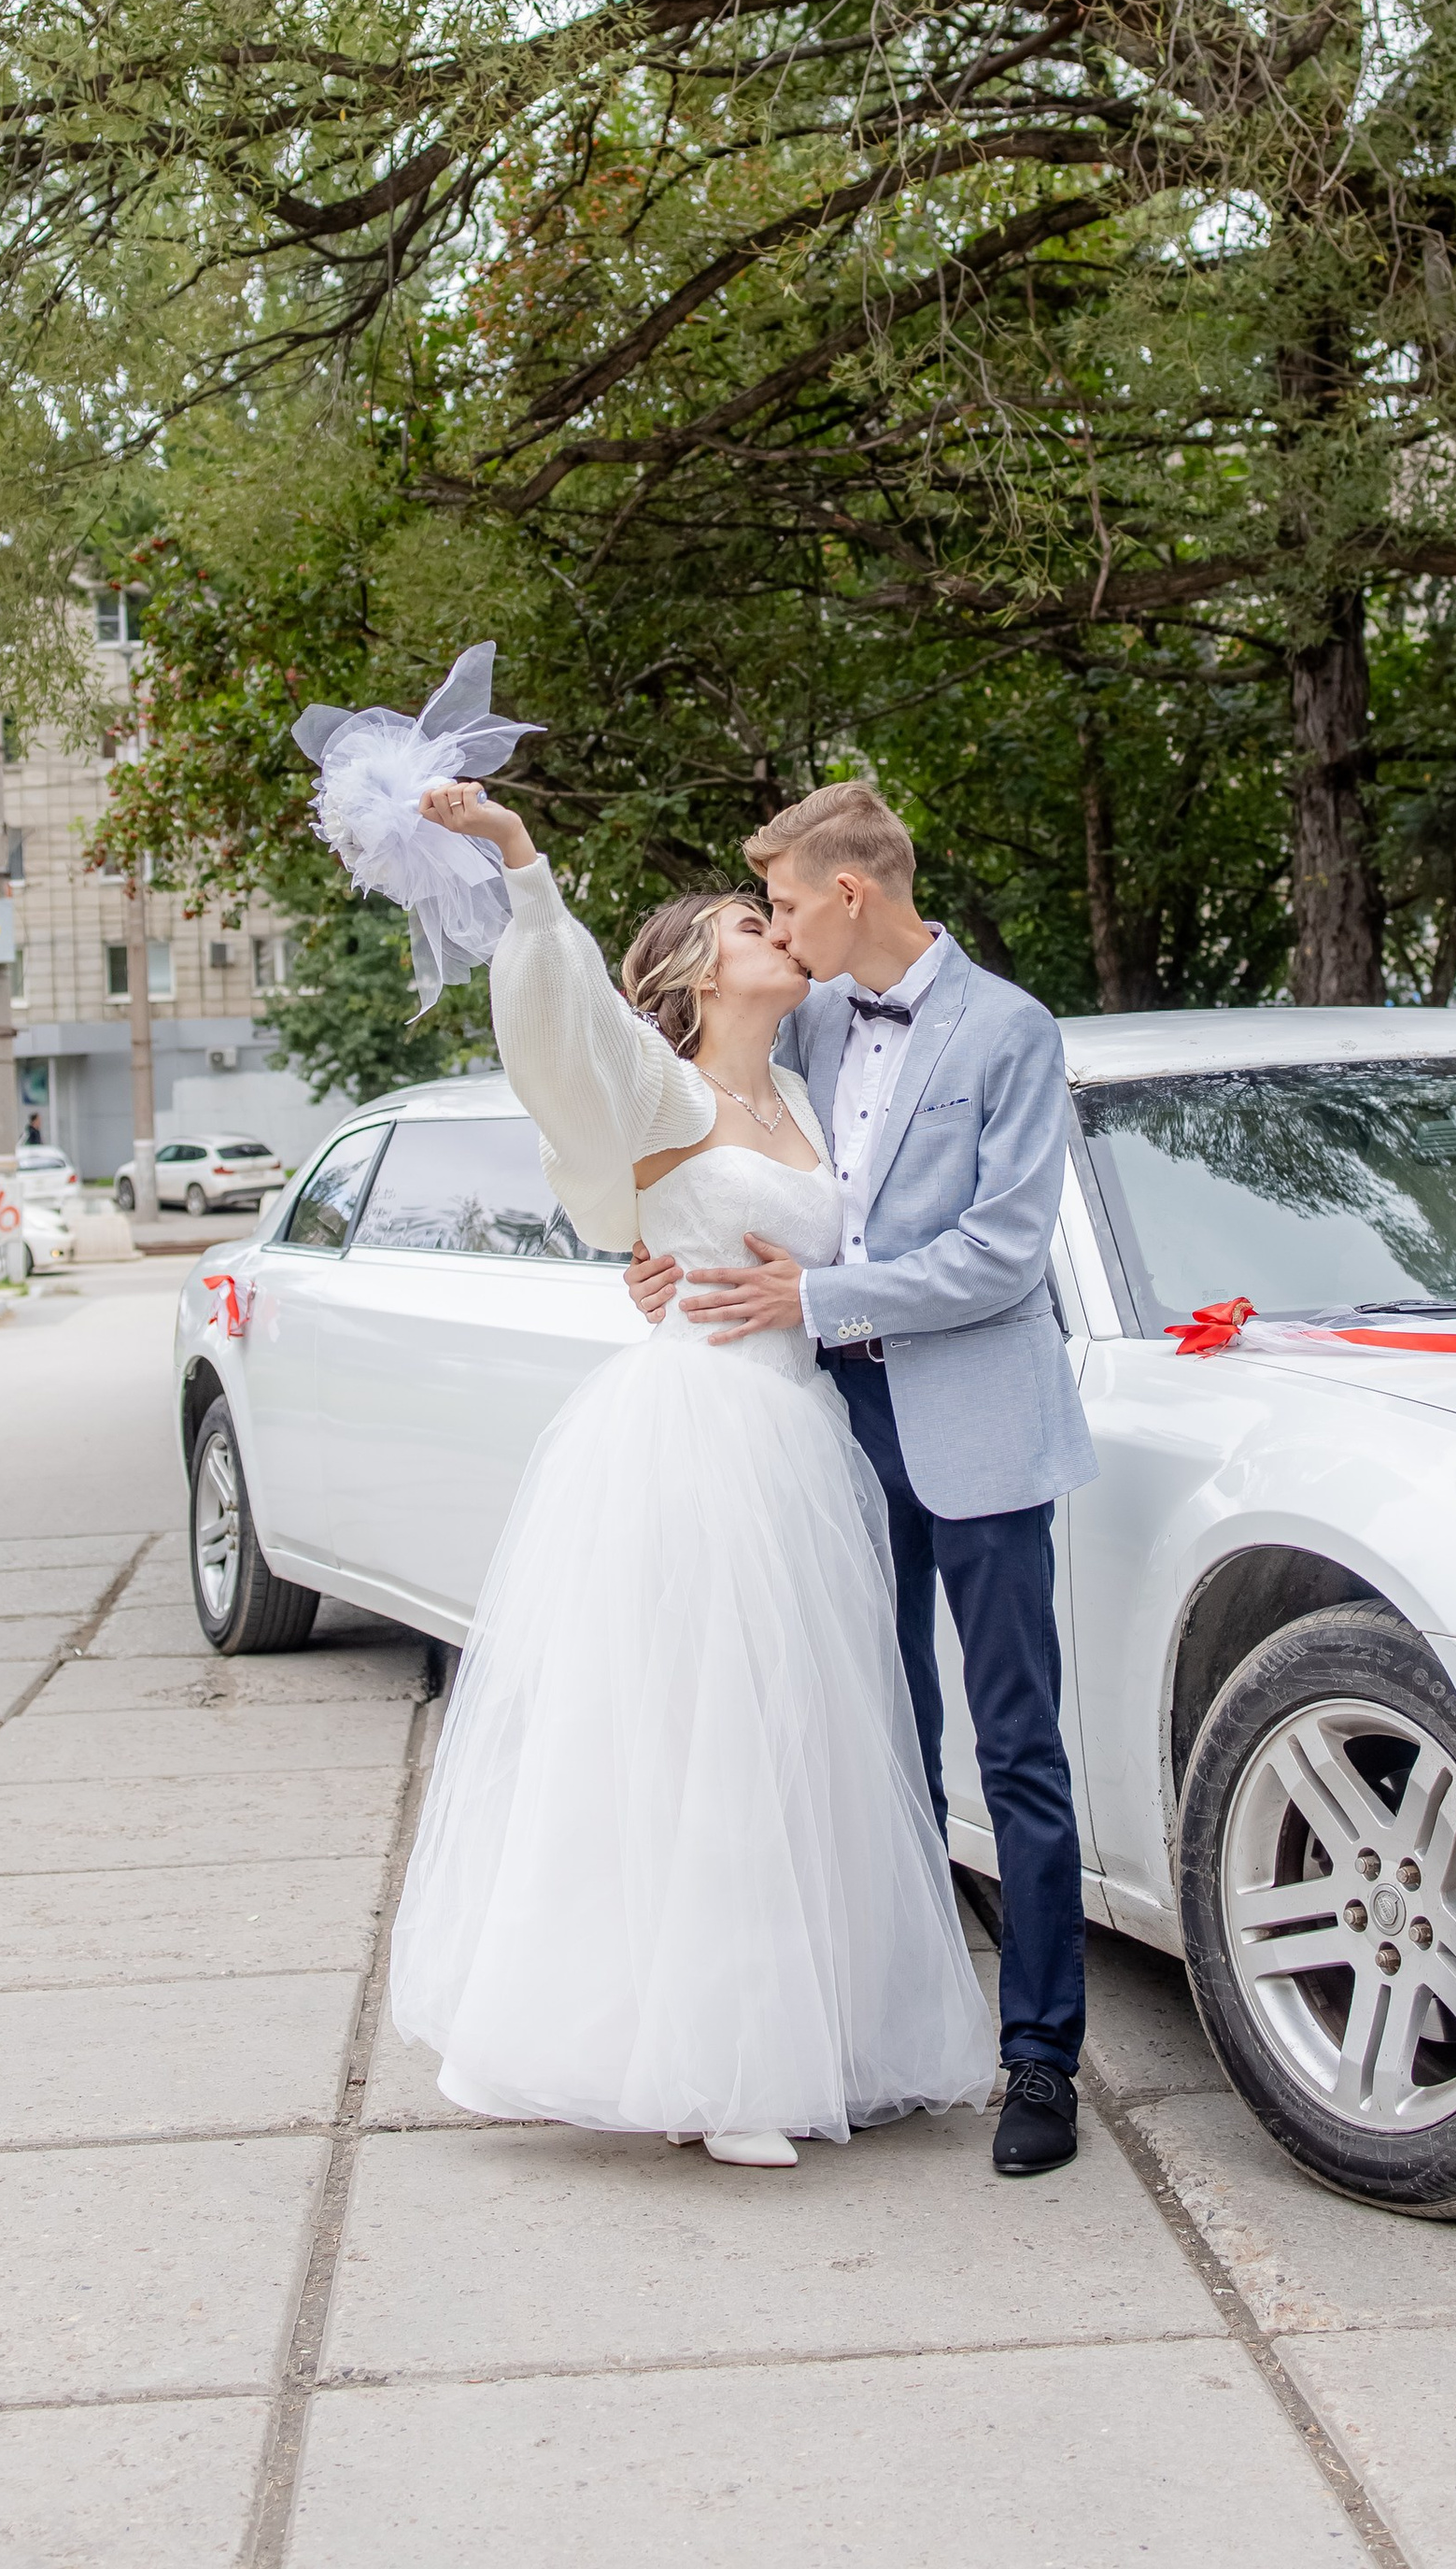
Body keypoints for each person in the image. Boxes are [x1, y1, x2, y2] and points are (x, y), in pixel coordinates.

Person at [387, 777, 994, 2167]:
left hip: (801, 1437)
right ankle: (718, 2072)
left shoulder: (801, 1085)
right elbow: (559, 1024)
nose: (776, 928)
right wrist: (519, 857)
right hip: (694, 1438)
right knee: (702, 1744)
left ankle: (806, 2031)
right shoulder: (656, 1086)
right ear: (692, 969)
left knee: (804, 1747)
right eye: (747, 918)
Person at [626, 778, 1095, 2178]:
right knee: (873, 1735)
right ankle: (887, 2024)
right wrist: (652, 1252)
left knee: (1017, 1746)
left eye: (776, 900)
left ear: (847, 894)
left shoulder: (1011, 1031)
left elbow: (1006, 1254)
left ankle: (1040, 2057)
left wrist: (814, 1296)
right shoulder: (807, 1018)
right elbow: (700, 1129)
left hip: (980, 1425)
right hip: (832, 1430)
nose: (766, 923)